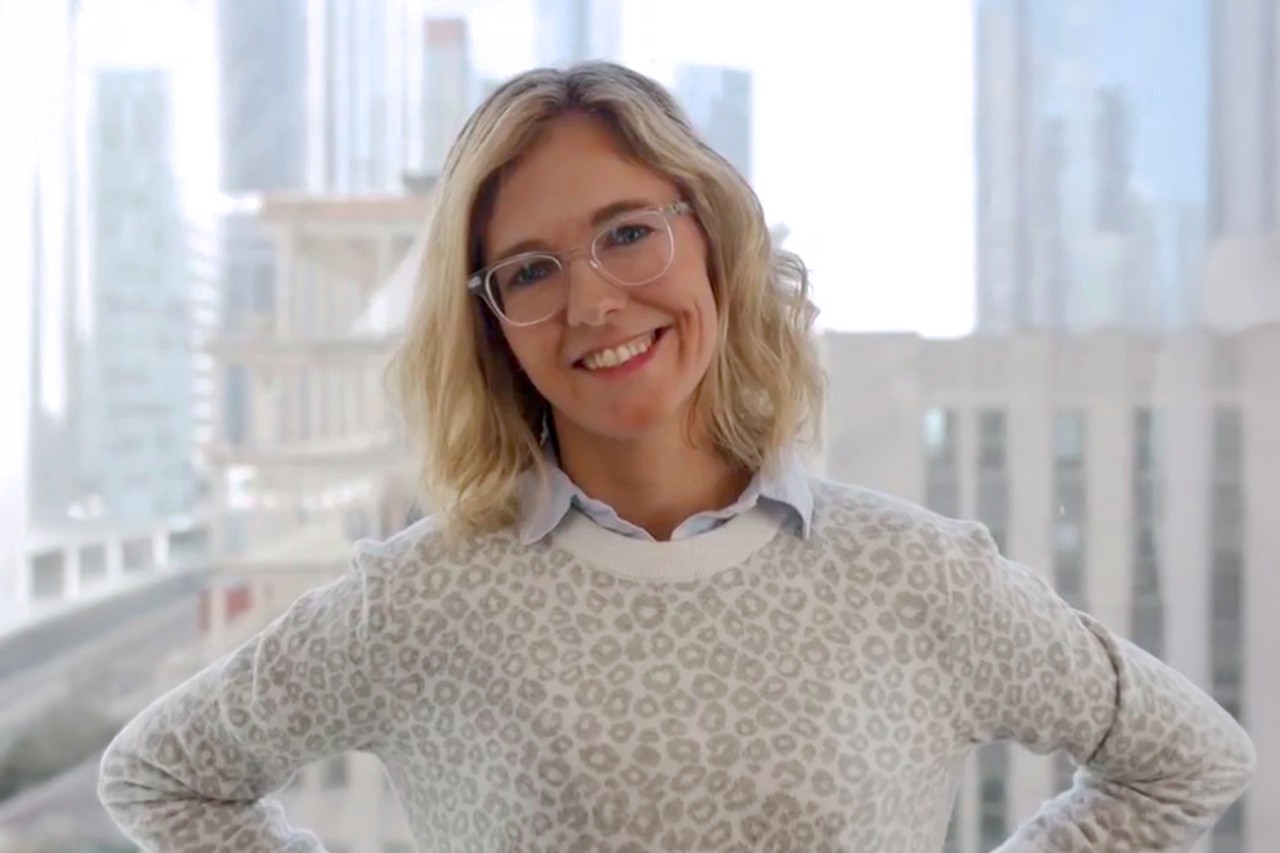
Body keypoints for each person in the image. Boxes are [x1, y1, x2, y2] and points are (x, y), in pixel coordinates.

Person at [98, 62, 1255, 852]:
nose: (593, 301)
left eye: (626, 232)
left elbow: (1184, 758)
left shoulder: (915, 576)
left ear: (708, 233)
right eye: (531, 270)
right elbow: (163, 777)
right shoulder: (418, 597)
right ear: (492, 320)